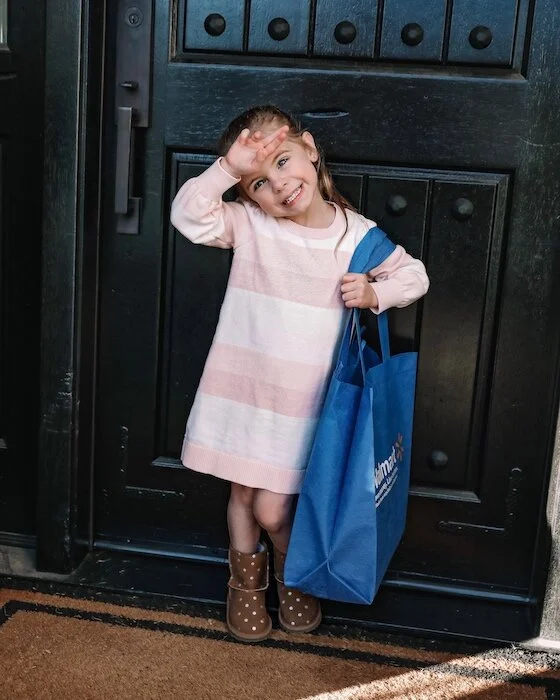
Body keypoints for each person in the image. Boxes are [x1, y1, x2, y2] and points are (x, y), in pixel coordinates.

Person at [170, 105, 429, 643]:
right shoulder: (251, 226)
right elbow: (189, 217)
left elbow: (414, 276)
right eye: (260, 182)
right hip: (242, 394)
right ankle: (245, 584)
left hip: (303, 407)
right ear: (249, 197)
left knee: (272, 506)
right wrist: (227, 168)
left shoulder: (355, 238)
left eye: (284, 161)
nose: (280, 185)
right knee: (243, 493)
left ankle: (297, 572)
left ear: (310, 149)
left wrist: (375, 293)